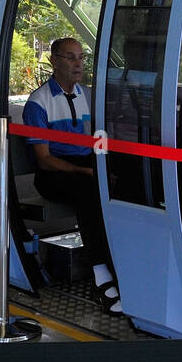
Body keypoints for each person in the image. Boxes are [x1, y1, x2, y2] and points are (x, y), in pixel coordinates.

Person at [23, 38, 120, 314]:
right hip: (54, 173)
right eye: (70, 57)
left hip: (85, 165)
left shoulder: (88, 95)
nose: (78, 64)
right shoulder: (38, 102)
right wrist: (88, 172)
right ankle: (102, 275)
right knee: (90, 191)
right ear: (54, 60)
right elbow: (44, 160)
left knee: (129, 184)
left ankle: (123, 261)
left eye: (81, 57)